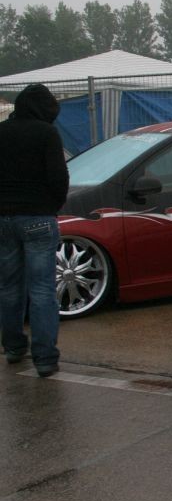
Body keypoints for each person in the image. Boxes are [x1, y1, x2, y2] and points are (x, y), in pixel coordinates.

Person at [0, 84, 69, 377]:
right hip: (39, 216)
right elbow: (58, 176)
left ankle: (14, 347)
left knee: (9, 286)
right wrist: (52, 205)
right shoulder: (46, 133)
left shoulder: (2, 131)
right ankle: (45, 358)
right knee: (42, 289)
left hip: (4, 218)